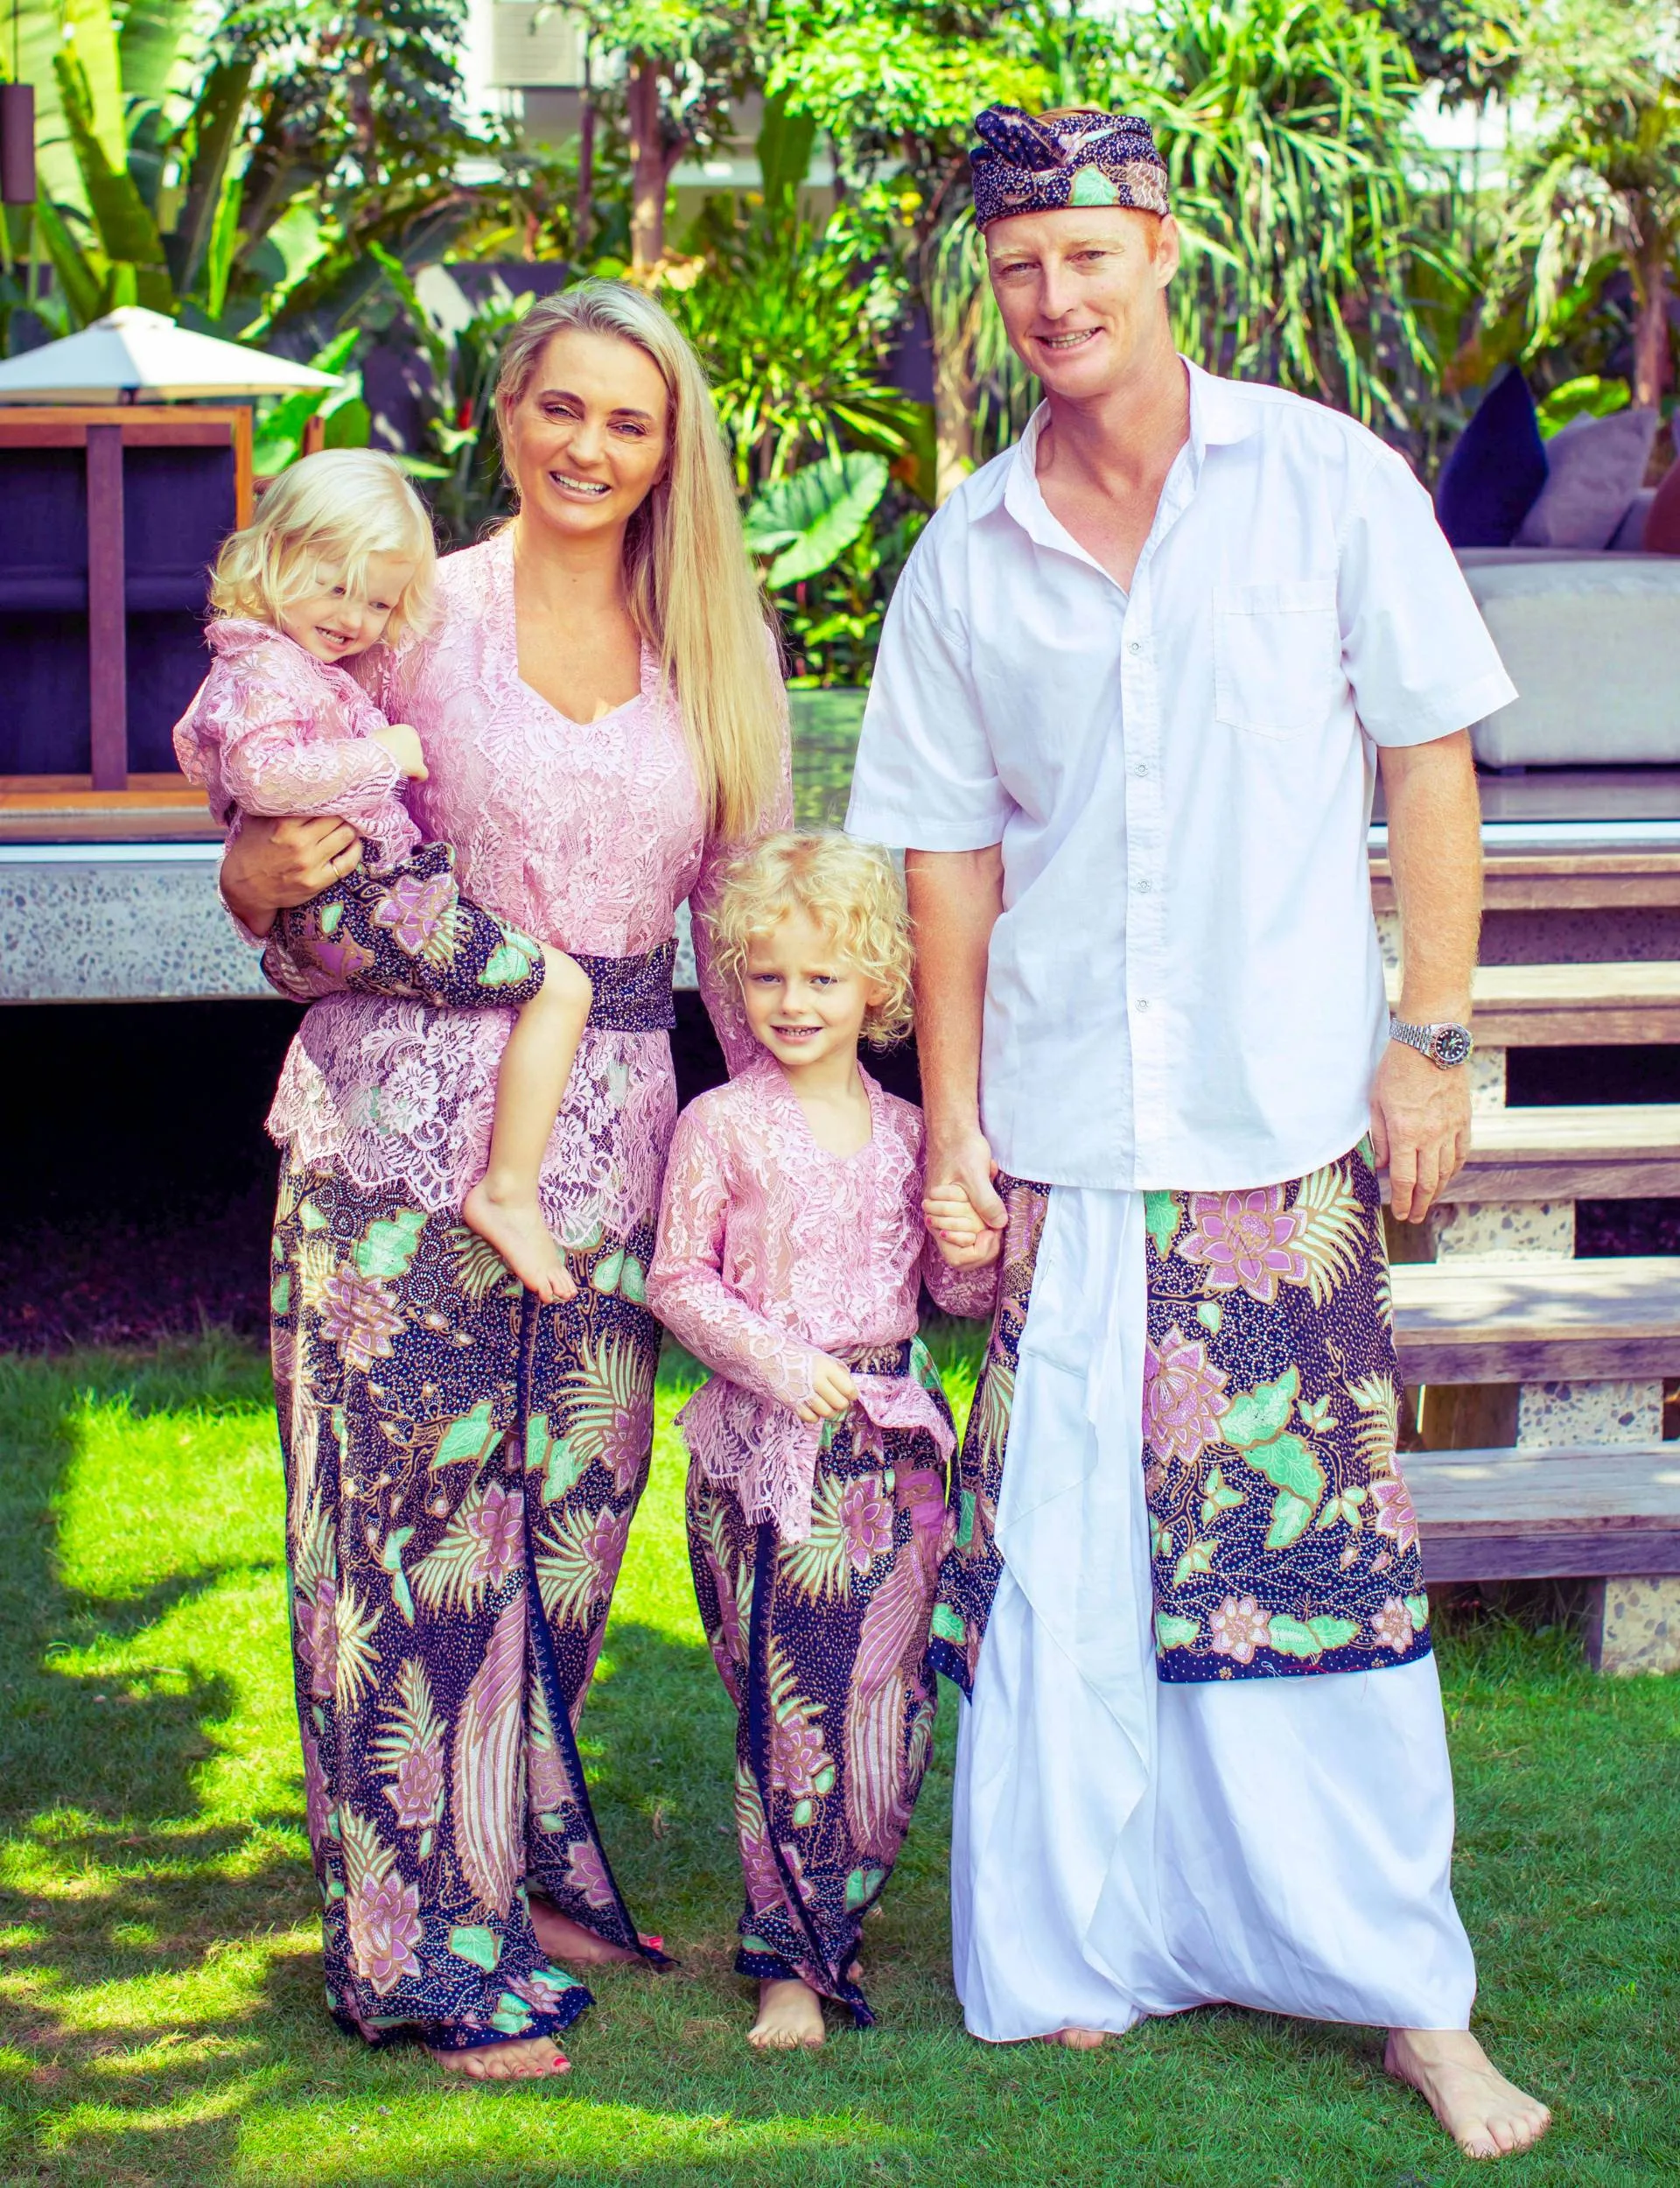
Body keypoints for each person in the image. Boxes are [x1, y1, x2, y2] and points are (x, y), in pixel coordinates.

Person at [845, 104, 1551, 2162]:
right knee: (1069, 1560)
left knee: (1310, 1567)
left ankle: (1406, 1992)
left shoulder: (1326, 483)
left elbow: (1429, 766)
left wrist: (1429, 1037)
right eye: (1016, 268)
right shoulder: (967, 547)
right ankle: (1088, 1940)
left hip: (1279, 1125)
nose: (1054, 297)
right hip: (1067, 1134)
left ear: (1162, 247)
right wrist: (953, 1129)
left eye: (1086, 253)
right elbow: (949, 872)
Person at [218, 282, 790, 2079]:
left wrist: (789, 1142)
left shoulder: (712, 641)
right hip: (400, 1133)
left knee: (560, 1540)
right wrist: (254, 887)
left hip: (612, 1142)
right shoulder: (415, 614)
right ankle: (423, 1954)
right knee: (404, 1556)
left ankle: (515, 1856)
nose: (588, 448)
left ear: (667, 443)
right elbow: (296, 850)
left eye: (628, 421)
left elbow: (749, 919)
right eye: (561, 408)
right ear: (509, 408)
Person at [646, 832, 996, 2051]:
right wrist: (782, 1367)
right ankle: (788, 1959)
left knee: (887, 1707)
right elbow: (677, 1280)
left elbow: (953, 1300)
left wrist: (966, 1244)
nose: (794, 1003)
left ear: (878, 989)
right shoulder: (722, 1126)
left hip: (895, 1451)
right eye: (768, 978)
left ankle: (841, 1905)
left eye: (824, 979)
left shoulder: (912, 1131)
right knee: (788, 1705)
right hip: (773, 1452)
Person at [176, 448, 593, 1304]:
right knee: (561, 986)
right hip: (359, 901)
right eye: (334, 586)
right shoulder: (261, 669)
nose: (353, 616)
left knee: (536, 979)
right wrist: (381, 754)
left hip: (365, 898)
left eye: (375, 600)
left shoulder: (294, 663)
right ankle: (508, 1190)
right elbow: (262, 778)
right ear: (273, 558)